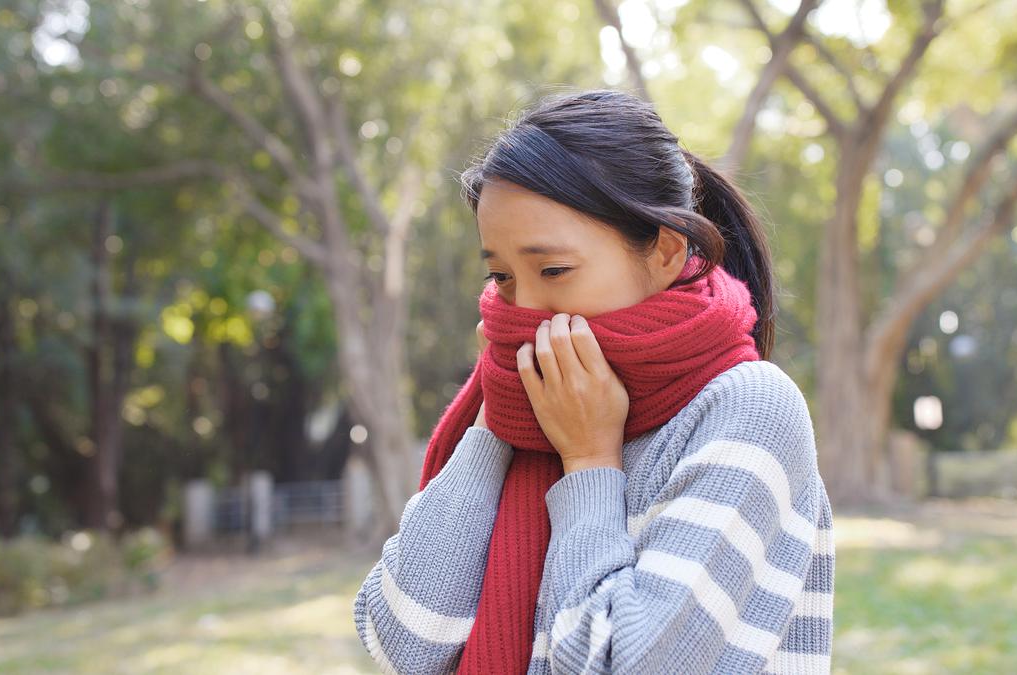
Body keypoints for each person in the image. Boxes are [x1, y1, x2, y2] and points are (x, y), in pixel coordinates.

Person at [353, 88, 834, 675]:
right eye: (501, 277)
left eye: (553, 270)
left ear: (663, 250)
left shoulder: (750, 408)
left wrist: (587, 460)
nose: (525, 309)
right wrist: (498, 413)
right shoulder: (520, 409)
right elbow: (403, 639)